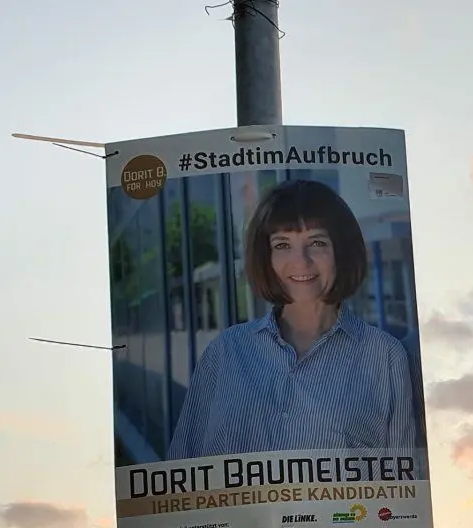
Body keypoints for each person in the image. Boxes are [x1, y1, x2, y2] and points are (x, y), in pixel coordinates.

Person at [164, 179, 420, 462]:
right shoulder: (225, 352)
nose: (301, 261)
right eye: (282, 244)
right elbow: (181, 467)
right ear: (266, 257)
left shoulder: (386, 357)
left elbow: (403, 478)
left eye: (317, 243)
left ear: (342, 252)